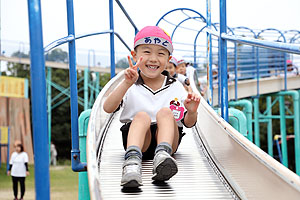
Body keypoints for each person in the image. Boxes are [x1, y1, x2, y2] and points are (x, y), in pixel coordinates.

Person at [103, 26, 200, 188]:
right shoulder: (130, 83)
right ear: (135, 56)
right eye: (147, 52)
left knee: (165, 113)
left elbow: (188, 123)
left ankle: (162, 158)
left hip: (168, 142)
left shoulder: (175, 86)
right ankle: (132, 163)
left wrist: (192, 111)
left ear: (169, 59)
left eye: (161, 53)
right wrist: (126, 83)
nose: (154, 59)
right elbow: (108, 108)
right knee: (141, 116)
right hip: (139, 139)